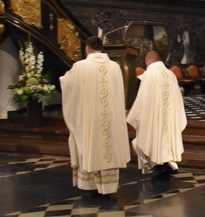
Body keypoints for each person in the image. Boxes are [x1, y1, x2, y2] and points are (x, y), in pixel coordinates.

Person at [60, 36, 130, 195]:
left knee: (90, 145)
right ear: (101, 48)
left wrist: (62, 80)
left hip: (90, 118)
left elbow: (68, 84)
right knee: (108, 147)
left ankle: (91, 185)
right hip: (110, 117)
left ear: (87, 48)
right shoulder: (115, 66)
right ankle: (108, 185)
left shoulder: (80, 66)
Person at [127, 51, 187, 180]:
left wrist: (135, 114)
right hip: (169, 115)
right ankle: (166, 164)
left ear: (148, 61)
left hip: (154, 116)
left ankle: (161, 166)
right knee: (165, 140)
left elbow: (143, 97)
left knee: (149, 139)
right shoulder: (171, 74)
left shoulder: (149, 74)